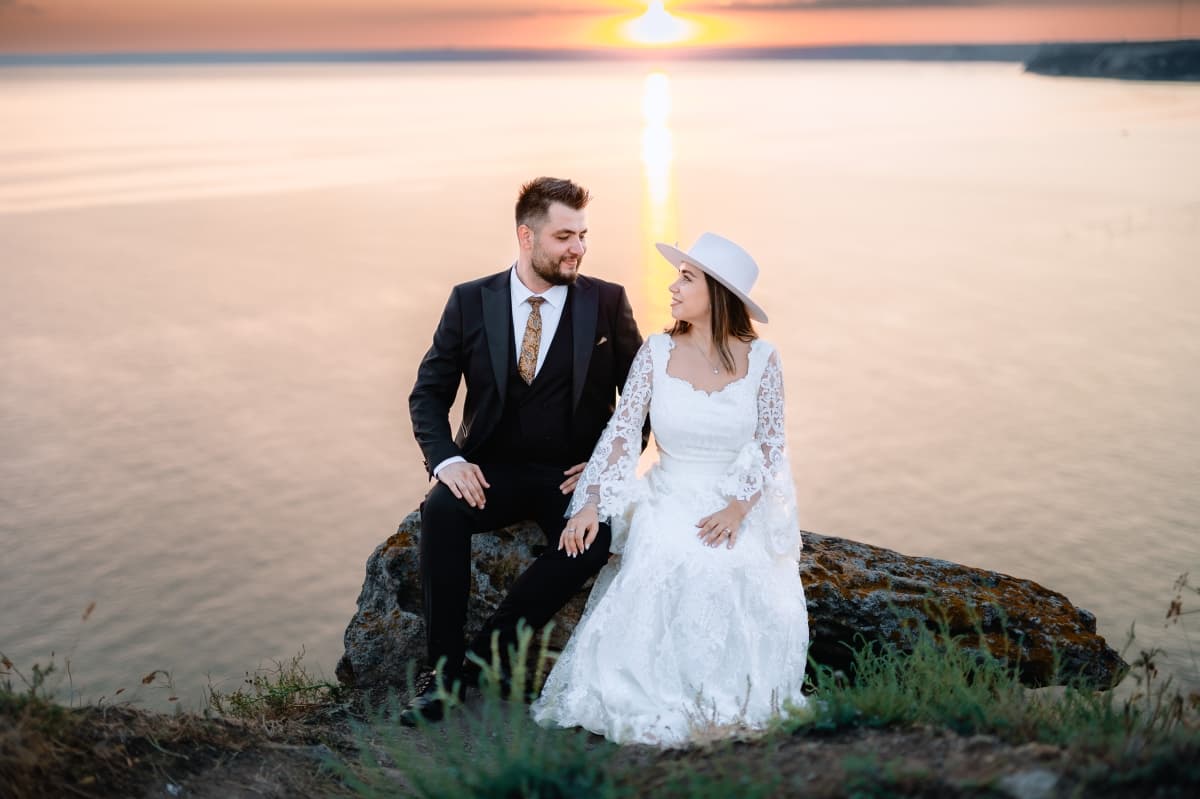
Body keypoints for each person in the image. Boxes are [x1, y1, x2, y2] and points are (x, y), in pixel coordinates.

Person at [531, 232, 810, 747]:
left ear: (718, 294)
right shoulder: (657, 352)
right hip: (667, 494)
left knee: (738, 569)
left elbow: (771, 448)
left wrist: (738, 507)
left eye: (687, 277)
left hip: (730, 499)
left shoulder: (764, 360)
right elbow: (621, 434)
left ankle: (725, 700)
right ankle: (652, 694)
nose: (673, 286)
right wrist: (590, 501)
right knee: (672, 557)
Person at [404, 177, 643, 725]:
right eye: (564, 236)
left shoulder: (607, 302)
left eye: (582, 235)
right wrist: (448, 460)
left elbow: (640, 401)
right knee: (440, 511)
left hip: (570, 476)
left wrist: (608, 464)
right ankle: (439, 675)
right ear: (526, 236)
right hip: (491, 471)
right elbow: (429, 393)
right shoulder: (470, 300)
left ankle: (479, 658)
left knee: (591, 539)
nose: (578, 248)